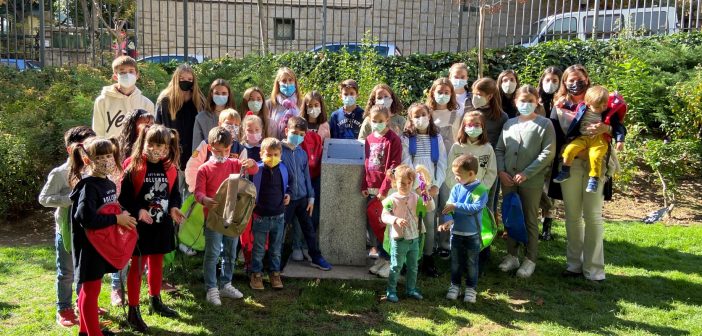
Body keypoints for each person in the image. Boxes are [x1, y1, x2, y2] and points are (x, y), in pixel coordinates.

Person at [550, 65, 617, 282]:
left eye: (579, 79)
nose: (575, 83)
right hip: (570, 164)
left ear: (587, 79)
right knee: (572, 217)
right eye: (570, 79)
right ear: (565, 82)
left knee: (593, 216)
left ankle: (595, 270)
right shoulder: (560, 106)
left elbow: (618, 126)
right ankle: (574, 265)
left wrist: (605, 129)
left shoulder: (602, 101)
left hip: (595, 167)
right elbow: (555, 135)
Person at [119, 125, 184, 331]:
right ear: (143, 143)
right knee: (137, 267)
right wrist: (138, 210)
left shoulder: (170, 167)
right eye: (153, 145)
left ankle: (155, 300)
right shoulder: (132, 165)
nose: (158, 150)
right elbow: (124, 197)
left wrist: (174, 208)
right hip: (140, 227)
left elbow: (174, 193)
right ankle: (133, 310)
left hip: (161, 224)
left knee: (157, 262)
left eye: (162, 146)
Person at [69, 137, 136, 336]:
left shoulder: (105, 182)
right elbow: (85, 218)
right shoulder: (88, 186)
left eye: (109, 155)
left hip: (100, 246)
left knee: (88, 290)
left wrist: (122, 215)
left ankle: (85, 330)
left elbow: (108, 208)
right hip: (89, 247)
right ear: (88, 160)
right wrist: (117, 219)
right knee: (91, 291)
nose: (106, 160)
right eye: (100, 157)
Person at [495, 85, 556, 278]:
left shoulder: (545, 124)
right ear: (515, 102)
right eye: (522, 100)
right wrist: (501, 171)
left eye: (530, 101)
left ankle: (530, 259)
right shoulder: (509, 124)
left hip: (531, 181)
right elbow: (499, 149)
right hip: (508, 180)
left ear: (537, 101)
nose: (526, 104)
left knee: (529, 219)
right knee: (511, 217)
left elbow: (548, 152)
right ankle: (512, 255)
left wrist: (528, 173)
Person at [39, 126, 96, 328]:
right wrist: (69, 199)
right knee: (67, 272)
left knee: (85, 271)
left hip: (88, 230)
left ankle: (84, 304)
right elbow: (44, 198)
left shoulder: (93, 169)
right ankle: (64, 308)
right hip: (66, 229)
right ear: (71, 149)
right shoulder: (60, 172)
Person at [195, 127, 258, 304]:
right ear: (209, 148)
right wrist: (204, 199)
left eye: (226, 150)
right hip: (214, 218)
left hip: (233, 215)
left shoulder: (235, 164)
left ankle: (226, 283)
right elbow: (198, 193)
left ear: (231, 147)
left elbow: (253, 171)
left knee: (230, 252)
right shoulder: (204, 169)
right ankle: (211, 288)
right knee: (213, 253)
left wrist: (251, 163)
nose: (222, 154)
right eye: (217, 150)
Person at [446, 111, 497, 272]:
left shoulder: (487, 148)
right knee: (460, 221)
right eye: (469, 125)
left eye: (477, 125)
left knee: (479, 224)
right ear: (463, 126)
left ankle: (480, 256)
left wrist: (480, 189)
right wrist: (457, 187)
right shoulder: (457, 147)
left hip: (479, 192)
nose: (473, 128)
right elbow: (449, 170)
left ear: (483, 127)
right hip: (460, 191)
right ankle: (458, 258)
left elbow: (491, 172)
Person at [400, 103, 447, 277]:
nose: (420, 118)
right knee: (410, 223)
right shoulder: (406, 138)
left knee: (429, 223)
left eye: (423, 114)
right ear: (410, 119)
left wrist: (436, 185)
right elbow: (407, 162)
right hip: (413, 187)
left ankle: (428, 258)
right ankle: (407, 259)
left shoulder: (436, 137)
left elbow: (442, 163)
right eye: (416, 116)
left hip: (430, 188)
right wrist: (419, 186)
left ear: (429, 115)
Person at [281, 117, 332, 270]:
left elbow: (307, 176)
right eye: (295, 133)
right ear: (286, 131)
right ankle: (275, 260)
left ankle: (315, 257)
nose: (298, 136)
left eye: (302, 134)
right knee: (280, 230)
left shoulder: (302, 153)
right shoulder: (279, 151)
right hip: (287, 200)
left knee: (308, 229)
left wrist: (311, 197)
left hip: (303, 198)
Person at [553, 86, 626, 193]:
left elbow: (618, 127)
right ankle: (565, 171)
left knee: (595, 156)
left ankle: (594, 179)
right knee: (569, 150)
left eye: (604, 105)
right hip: (583, 137)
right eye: (597, 107)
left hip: (599, 140)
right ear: (588, 104)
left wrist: (620, 140)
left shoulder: (608, 112)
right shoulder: (582, 108)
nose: (602, 108)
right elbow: (572, 107)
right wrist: (563, 104)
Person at [438, 154, 488, 303]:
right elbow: (448, 208)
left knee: (472, 263)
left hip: (472, 234)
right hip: (456, 234)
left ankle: (471, 288)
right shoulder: (456, 188)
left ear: (471, 174)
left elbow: (474, 208)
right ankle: (455, 285)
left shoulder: (480, 190)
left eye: (458, 175)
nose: (456, 178)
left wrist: (456, 206)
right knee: (455, 262)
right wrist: (448, 220)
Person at [381, 164, 435, 303]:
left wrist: (427, 195)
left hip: (414, 238)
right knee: (396, 266)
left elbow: (430, 208)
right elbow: (384, 216)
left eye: (409, 183)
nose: (405, 186)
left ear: (413, 182)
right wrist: (396, 220)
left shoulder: (416, 197)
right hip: (399, 239)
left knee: (413, 266)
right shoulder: (392, 199)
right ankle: (391, 291)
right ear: (395, 182)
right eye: (401, 183)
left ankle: (410, 289)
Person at [362, 105, 403, 277]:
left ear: (387, 120)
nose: (377, 124)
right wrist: (364, 185)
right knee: (374, 225)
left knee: (386, 227)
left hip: (386, 190)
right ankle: (380, 255)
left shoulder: (393, 139)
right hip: (371, 188)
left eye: (381, 121)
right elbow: (365, 162)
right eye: (374, 121)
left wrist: (385, 189)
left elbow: (393, 166)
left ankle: (389, 260)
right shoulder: (370, 138)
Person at [250, 138, 291, 290]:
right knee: (259, 248)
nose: (272, 158)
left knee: (276, 248)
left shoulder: (283, 169)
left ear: (280, 154)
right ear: (261, 154)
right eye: (268, 154)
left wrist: (288, 194)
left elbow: (288, 184)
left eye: (275, 154)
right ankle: (256, 274)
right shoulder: (257, 170)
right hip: (261, 216)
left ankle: (275, 273)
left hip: (279, 216)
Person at [295, 91, 329, 259]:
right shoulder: (300, 124)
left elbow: (328, 149)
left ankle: (310, 244)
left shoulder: (325, 126)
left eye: (316, 105)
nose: (313, 109)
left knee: (314, 211)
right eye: (310, 106)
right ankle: (297, 245)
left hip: (318, 175)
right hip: (301, 175)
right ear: (305, 107)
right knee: (299, 209)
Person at [155, 63, 206, 171]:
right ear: (175, 79)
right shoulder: (165, 101)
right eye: (181, 78)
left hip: (194, 153)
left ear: (193, 81)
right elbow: (158, 126)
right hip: (170, 154)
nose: (185, 81)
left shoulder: (199, 101)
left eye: (189, 79)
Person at [92, 56, 154, 139]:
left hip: (136, 150)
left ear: (137, 75)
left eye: (131, 71)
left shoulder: (147, 104)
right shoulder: (102, 101)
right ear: (115, 77)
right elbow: (98, 131)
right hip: (111, 149)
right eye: (122, 72)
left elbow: (150, 134)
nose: (127, 75)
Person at [536, 66, 563, 241]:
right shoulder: (535, 100)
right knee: (537, 189)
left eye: (555, 80)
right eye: (548, 80)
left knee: (551, 191)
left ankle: (547, 227)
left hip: (558, 151)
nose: (551, 83)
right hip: (538, 151)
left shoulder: (562, 102)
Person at [192, 79, 236, 150]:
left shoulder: (235, 117)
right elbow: (196, 146)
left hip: (231, 158)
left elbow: (239, 141)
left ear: (229, 94)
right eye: (217, 93)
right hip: (208, 159)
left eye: (224, 93)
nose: (220, 96)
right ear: (212, 94)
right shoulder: (201, 118)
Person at [266, 67, 302, 139]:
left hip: (297, 146)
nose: (287, 83)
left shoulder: (301, 103)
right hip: (275, 146)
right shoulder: (270, 104)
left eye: (290, 80)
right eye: (284, 81)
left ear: (295, 82)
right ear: (278, 83)